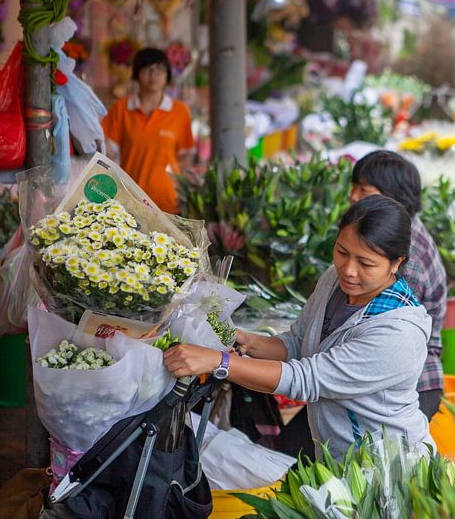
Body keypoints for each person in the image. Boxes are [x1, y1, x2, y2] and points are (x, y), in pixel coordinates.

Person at [164, 196, 433, 458]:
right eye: (341, 251)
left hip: (388, 467)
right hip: (338, 459)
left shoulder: (398, 333)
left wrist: (218, 362)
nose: (348, 269)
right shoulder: (334, 281)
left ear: (397, 263)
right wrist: (245, 340)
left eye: (366, 263)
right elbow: (299, 343)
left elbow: (305, 379)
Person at [349, 151, 447, 420]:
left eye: (364, 190)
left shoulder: (404, 253)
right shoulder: (390, 233)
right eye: (353, 187)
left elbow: (384, 340)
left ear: (393, 197)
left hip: (408, 386)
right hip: (380, 371)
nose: (353, 197)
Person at [102, 48, 194, 214]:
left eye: (159, 69)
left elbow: (185, 160)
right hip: (129, 202)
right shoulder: (121, 109)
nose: (154, 75)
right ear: (137, 73)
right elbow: (106, 154)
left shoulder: (180, 112)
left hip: (168, 203)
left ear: (167, 75)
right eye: (147, 69)